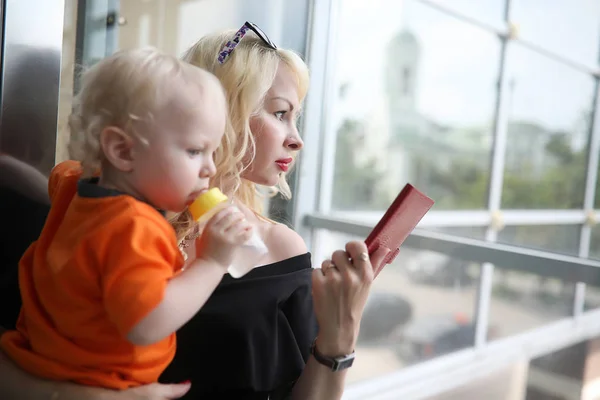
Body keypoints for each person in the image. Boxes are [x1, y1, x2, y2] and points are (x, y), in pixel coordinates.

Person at [0, 22, 390, 400]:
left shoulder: (282, 250)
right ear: (222, 113)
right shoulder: (100, 215)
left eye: (296, 117)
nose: (297, 140)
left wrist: (341, 338)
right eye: (280, 113)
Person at [0, 47, 255, 390]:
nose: (209, 168)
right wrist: (211, 261)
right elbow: (147, 323)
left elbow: (57, 174)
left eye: (212, 152)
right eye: (195, 151)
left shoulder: (76, 187)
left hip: (46, 359)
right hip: (102, 380)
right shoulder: (136, 227)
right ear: (122, 151)